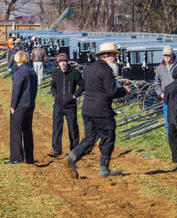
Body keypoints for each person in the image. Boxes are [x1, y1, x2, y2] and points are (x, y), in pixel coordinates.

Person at [64, 42, 131, 178]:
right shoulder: (106, 70)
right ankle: (104, 169)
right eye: (114, 55)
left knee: (89, 139)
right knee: (108, 137)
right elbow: (111, 92)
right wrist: (124, 90)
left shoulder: (89, 68)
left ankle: (72, 157)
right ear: (108, 55)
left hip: (87, 108)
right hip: (102, 110)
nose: (115, 58)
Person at [48, 53, 85, 157]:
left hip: (71, 105)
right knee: (56, 127)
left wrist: (75, 95)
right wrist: (55, 95)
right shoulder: (55, 73)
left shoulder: (75, 73)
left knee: (72, 127)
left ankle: (74, 150)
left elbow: (82, 85)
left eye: (64, 61)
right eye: (60, 62)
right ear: (58, 63)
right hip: (58, 105)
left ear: (67, 62)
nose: (62, 63)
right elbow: (52, 86)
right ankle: (56, 149)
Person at [8, 50, 38, 164]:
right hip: (30, 105)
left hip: (20, 105)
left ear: (18, 59)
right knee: (27, 131)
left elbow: (16, 90)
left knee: (16, 131)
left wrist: (13, 105)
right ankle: (29, 157)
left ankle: (16, 157)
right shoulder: (32, 71)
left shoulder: (19, 73)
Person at [154, 46, 177, 138]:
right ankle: (171, 140)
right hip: (167, 100)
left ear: (173, 54)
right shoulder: (159, 68)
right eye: (164, 55)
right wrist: (160, 94)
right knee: (168, 121)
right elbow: (156, 84)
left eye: (168, 55)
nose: (166, 57)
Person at [164, 66, 177, 163]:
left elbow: (166, 101)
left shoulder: (168, 88)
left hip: (172, 116)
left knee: (172, 138)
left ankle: (175, 159)